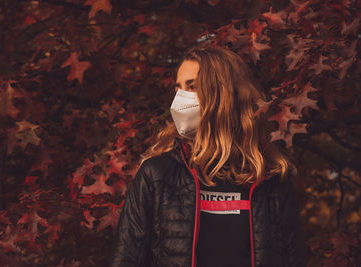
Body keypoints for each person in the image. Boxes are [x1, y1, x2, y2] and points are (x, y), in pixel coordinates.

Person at [109, 44, 307, 267]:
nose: (181, 98)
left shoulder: (271, 179)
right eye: (178, 89)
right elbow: (126, 259)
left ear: (223, 94)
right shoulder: (157, 174)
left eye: (192, 87)